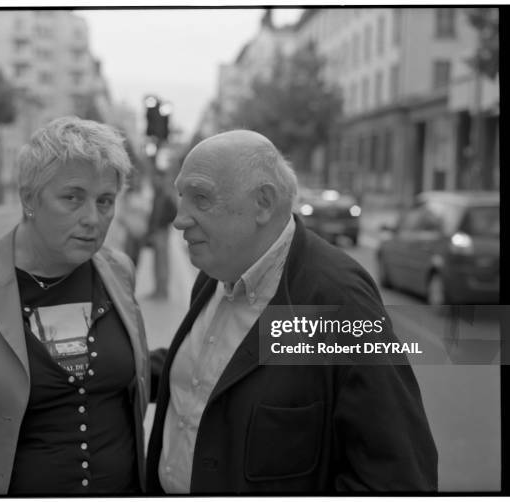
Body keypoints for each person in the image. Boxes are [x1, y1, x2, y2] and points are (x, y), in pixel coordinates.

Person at [146, 130, 438, 493]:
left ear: (263, 203)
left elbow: (398, 473)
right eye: (181, 198)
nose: (179, 219)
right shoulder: (216, 271)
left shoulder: (335, 300)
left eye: (201, 199)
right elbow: (213, 367)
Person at [0, 117, 151, 495]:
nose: (93, 219)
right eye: (72, 197)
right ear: (28, 198)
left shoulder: (118, 271)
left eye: (105, 201)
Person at [145, 168, 177, 300]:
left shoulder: (166, 196)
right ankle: (158, 289)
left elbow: (174, 213)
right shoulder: (158, 195)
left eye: (159, 179)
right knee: (157, 261)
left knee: (162, 262)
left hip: (162, 232)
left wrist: (162, 224)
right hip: (157, 232)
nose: (156, 181)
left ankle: (163, 291)